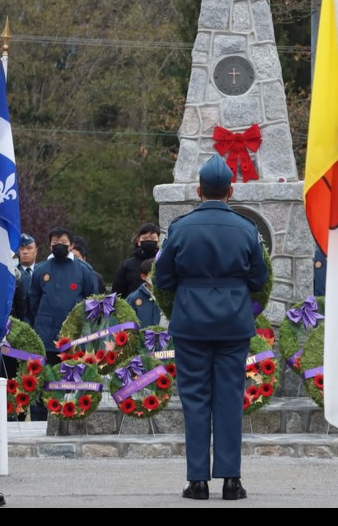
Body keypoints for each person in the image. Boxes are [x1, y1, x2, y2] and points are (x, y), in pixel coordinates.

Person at [155, 154, 268, 501]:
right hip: (234, 323)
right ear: (231, 190)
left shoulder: (180, 228)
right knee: (231, 399)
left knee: (195, 399)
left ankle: (198, 480)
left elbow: (164, 277)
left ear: (198, 190)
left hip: (191, 322)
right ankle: (231, 480)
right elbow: (259, 277)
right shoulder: (247, 229)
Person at [28, 226, 102, 361]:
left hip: (74, 337)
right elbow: (33, 302)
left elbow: (93, 301)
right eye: (55, 242)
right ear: (50, 245)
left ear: (71, 245)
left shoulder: (84, 270)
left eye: (63, 241)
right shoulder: (40, 270)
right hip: (45, 336)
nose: (59, 245)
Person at [113, 223, 161, 297]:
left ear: (158, 241)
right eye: (145, 238)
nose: (148, 241)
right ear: (138, 241)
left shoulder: (163, 263)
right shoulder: (127, 265)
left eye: (152, 238)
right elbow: (117, 293)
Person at [126, 259, 160, 328]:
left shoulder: (167, 298)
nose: (157, 277)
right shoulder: (133, 298)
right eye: (153, 274)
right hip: (142, 338)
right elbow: (126, 323)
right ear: (143, 277)